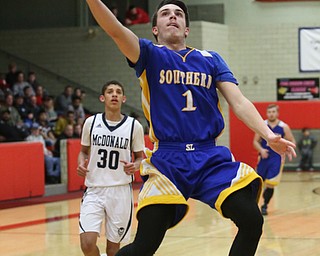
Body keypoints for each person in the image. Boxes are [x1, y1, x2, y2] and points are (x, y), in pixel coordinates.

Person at [86, 1, 296, 255]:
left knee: (252, 220)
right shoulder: (149, 55)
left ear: (187, 29)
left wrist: (269, 134)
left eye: (178, 14)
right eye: (165, 14)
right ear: (155, 29)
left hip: (209, 157)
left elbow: (238, 102)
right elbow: (116, 30)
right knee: (144, 246)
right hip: (167, 161)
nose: (172, 17)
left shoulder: (210, 59)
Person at [77, 80, 144, 256]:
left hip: (120, 190)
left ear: (123, 98)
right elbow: (83, 152)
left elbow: (139, 158)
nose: (114, 94)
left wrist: (134, 166)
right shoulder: (91, 123)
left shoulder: (133, 126)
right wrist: (80, 163)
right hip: (94, 189)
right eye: (110, 91)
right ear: (102, 97)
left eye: (118, 92)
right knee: (87, 243)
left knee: (113, 249)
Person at [253, 104, 296, 216]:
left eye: (273, 112)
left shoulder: (284, 127)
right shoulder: (262, 124)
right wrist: (261, 150)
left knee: (271, 183)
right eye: (269, 112)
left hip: (276, 158)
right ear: (267, 113)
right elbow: (255, 141)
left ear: (277, 113)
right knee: (258, 182)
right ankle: (253, 205)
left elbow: (292, 140)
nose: (271, 114)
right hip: (264, 157)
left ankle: (265, 205)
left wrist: (287, 149)